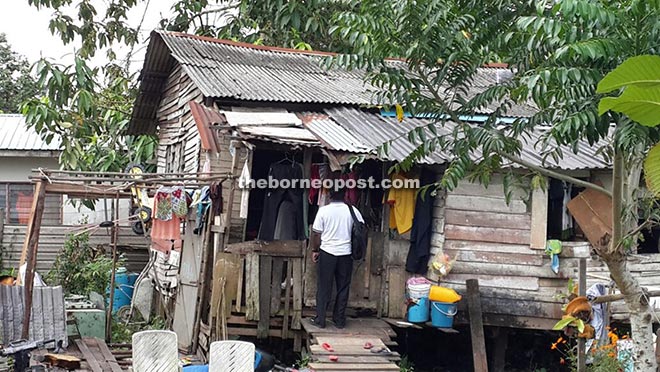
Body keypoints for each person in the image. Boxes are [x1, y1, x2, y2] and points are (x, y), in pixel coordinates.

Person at [309, 186, 364, 329]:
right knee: (343, 287)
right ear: (345, 194)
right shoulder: (353, 211)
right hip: (345, 254)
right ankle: (339, 320)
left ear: (329, 195)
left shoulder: (323, 211)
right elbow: (361, 227)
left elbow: (316, 234)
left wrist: (315, 250)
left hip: (327, 253)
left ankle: (320, 320)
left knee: (323, 286)